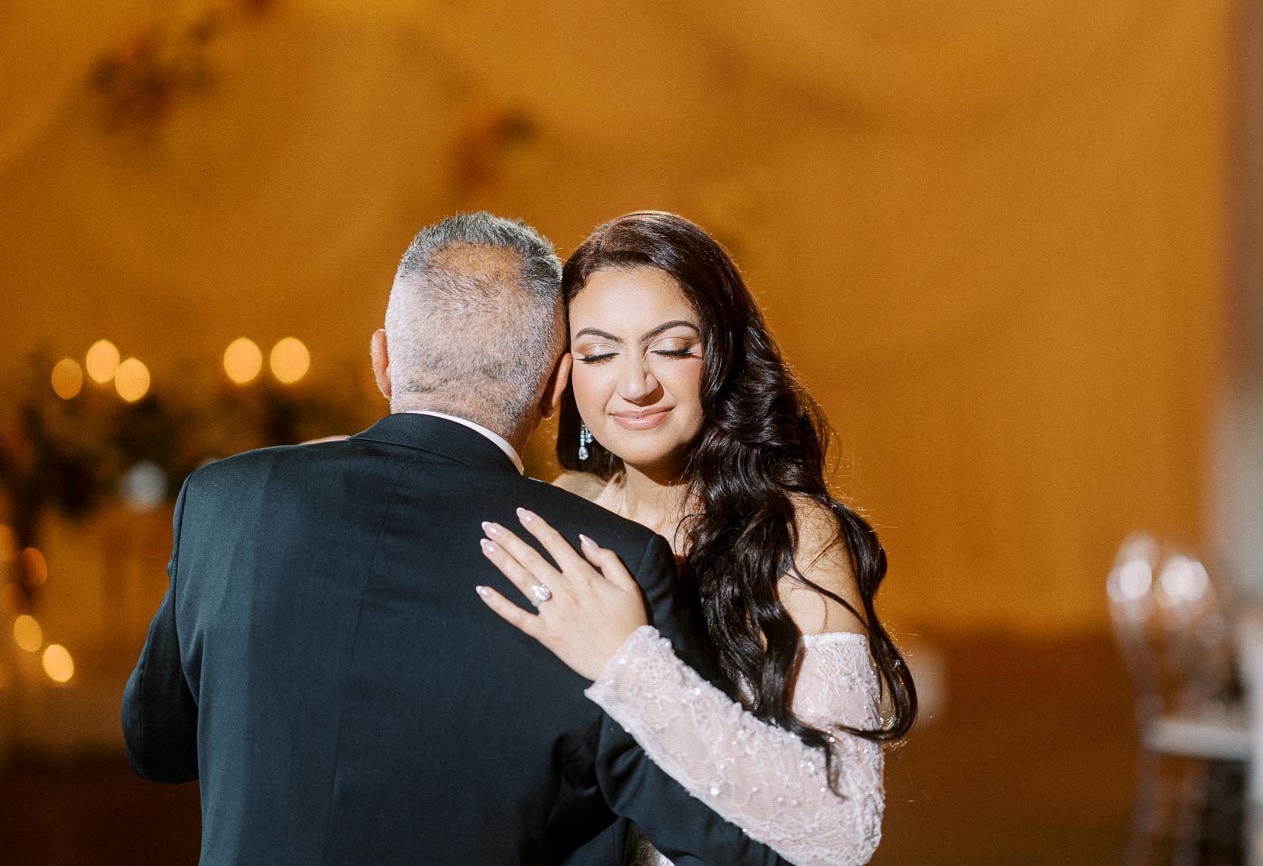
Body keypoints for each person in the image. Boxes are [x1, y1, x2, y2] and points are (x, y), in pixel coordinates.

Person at [121, 213, 786, 866]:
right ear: (556, 388)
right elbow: (728, 842)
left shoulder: (226, 501)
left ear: (382, 360)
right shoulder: (606, 562)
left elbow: (155, 745)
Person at [476, 211, 918, 866]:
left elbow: (842, 829)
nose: (636, 384)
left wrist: (631, 662)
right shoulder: (561, 514)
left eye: (671, 346)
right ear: (566, 374)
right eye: (600, 353)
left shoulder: (793, 535)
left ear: (722, 353)